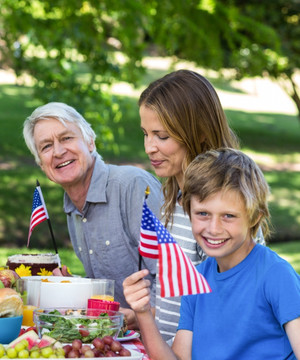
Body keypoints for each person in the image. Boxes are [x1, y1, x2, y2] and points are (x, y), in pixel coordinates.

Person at [123, 148, 300, 359]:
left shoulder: (276, 275)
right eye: (203, 214)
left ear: (254, 218)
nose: (213, 228)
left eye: (228, 216)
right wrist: (143, 312)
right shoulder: (196, 280)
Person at [138, 69, 266, 342]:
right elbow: (174, 290)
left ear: (198, 132)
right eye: (146, 134)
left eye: (161, 136)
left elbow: (238, 306)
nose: (149, 147)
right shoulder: (171, 200)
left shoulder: (221, 214)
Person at [23, 102, 163, 329]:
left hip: (162, 340)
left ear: (90, 141)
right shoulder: (72, 206)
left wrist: (137, 318)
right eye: (46, 146)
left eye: (67, 138)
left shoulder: (133, 186)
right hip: (114, 338)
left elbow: (179, 285)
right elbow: (109, 293)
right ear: (41, 163)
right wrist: (73, 286)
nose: (58, 152)